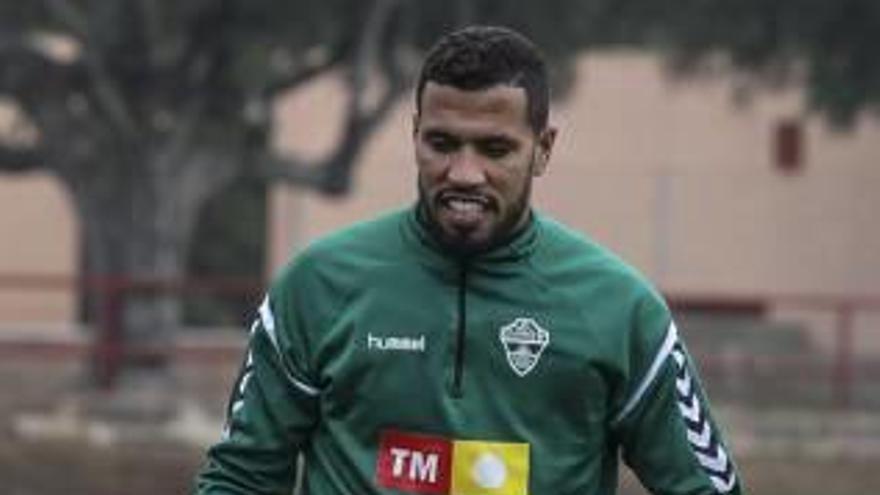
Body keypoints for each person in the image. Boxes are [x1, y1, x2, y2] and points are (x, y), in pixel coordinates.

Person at [194, 25, 742, 495]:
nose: (463, 173)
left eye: (495, 149)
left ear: (543, 149)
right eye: (441, 143)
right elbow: (240, 479)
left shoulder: (620, 310)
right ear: (414, 135)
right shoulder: (317, 287)